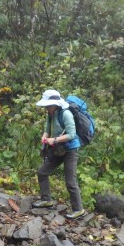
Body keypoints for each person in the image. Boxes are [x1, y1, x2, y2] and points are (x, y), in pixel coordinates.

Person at [33, 89, 86, 220]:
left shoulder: (66, 114)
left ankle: (78, 210)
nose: (46, 108)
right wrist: (45, 137)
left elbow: (72, 134)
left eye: (47, 106)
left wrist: (54, 140)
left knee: (70, 181)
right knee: (42, 172)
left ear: (54, 104)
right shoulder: (51, 114)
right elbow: (47, 130)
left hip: (70, 150)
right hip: (57, 149)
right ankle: (47, 200)